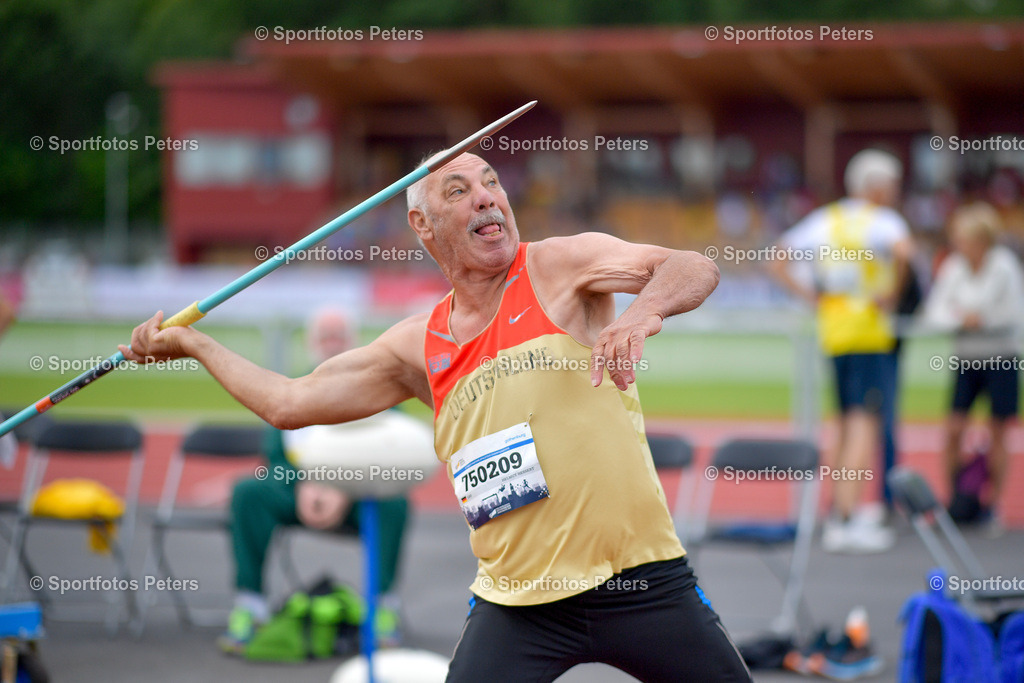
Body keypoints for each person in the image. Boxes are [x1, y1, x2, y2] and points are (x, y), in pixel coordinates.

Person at [122, 152, 751, 681]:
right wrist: (193, 345)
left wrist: (642, 314)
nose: (486, 199)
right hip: (518, 603)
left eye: (493, 183)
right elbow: (288, 403)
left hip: (638, 582)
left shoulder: (560, 265)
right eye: (460, 191)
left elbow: (692, 266)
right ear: (423, 225)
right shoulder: (415, 347)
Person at [217, 308, 410, 654]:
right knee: (248, 493)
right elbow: (275, 456)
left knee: (394, 503)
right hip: (298, 491)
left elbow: (392, 451)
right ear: (312, 343)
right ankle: (250, 606)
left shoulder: (382, 389)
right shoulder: (292, 389)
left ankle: (383, 606)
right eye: (325, 336)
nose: (333, 343)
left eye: (339, 335)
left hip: (358, 493)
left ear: (353, 341)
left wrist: (345, 488)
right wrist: (305, 484)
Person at [771, 149, 914, 554]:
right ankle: (847, 517)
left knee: (846, 422)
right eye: (891, 185)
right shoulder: (883, 221)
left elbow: (778, 258)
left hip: (834, 330)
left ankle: (840, 510)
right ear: (876, 186)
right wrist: (893, 293)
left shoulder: (826, 219)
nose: (895, 193)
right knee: (864, 421)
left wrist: (813, 297)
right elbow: (905, 254)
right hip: (868, 330)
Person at [923, 202, 1024, 535]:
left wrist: (974, 318)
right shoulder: (953, 267)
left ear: (982, 239)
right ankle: (957, 500)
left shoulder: (1004, 267)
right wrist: (963, 318)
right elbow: (935, 311)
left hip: (1001, 357)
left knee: (998, 431)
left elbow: (1009, 314)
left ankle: (992, 505)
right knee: (953, 428)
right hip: (966, 357)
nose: (960, 245)